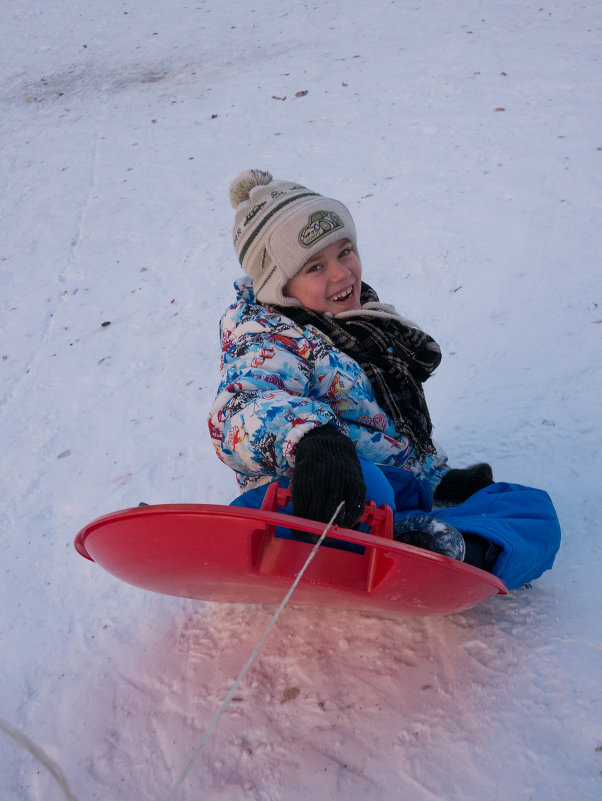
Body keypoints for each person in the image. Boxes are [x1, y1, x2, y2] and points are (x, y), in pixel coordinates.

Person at [208, 169, 561, 589]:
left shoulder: (368, 330)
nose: (341, 274)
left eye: (345, 252)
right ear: (277, 285)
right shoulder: (266, 339)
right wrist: (313, 441)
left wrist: (440, 481)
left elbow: (399, 435)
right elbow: (240, 408)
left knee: (533, 508)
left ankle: (451, 549)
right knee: (367, 480)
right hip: (318, 496)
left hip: (396, 505)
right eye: (316, 266)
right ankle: (249, 540)